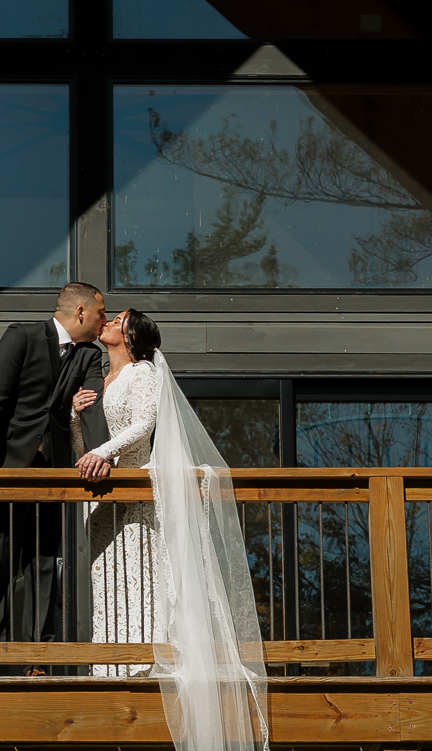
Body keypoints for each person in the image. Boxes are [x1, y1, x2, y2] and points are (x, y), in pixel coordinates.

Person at [76, 309, 269, 751]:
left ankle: (139, 666)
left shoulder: (143, 373)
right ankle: (109, 666)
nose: (106, 322)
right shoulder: (99, 380)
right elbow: (82, 448)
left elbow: (142, 426)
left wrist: (104, 451)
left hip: (135, 489)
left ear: (131, 334)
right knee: (107, 581)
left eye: (117, 318)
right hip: (103, 497)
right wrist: (75, 417)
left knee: (138, 577)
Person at [0, 281, 110, 674]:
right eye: (100, 313)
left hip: (55, 473)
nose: (104, 321)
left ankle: (38, 659)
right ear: (80, 311)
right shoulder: (23, 336)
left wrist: (99, 453)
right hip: (6, 469)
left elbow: (92, 404)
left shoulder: (91, 356)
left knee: (45, 564)